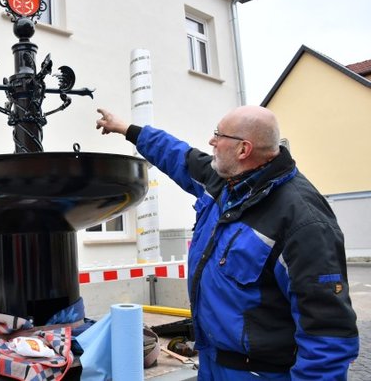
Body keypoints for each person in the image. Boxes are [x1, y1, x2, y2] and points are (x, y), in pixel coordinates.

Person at [96, 105, 359, 380]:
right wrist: (127, 129)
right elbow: (177, 154)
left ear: (243, 149)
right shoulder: (224, 183)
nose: (211, 142)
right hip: (212, 364)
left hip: (258, 373)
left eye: (218, 135)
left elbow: (327, 333)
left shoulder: (303, 221)